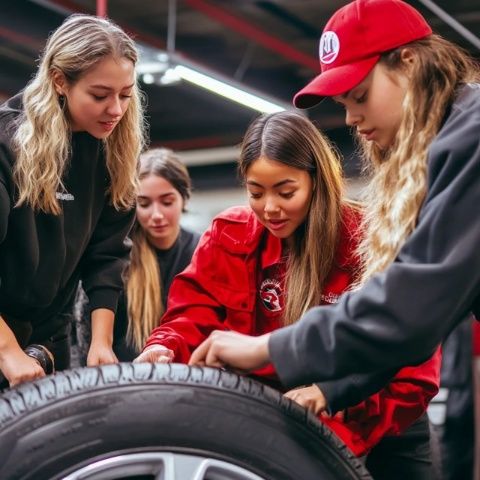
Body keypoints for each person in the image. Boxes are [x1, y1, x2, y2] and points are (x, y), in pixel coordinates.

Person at [189, 0, 480, 437]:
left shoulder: (471, 137)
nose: (351, 118)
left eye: (360, 96)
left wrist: (268, 347)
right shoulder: (451, 141)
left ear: (410, 61)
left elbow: (409, 308)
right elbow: (405, 327)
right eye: (344, 102)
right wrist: (334, 389)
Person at [136, 111, 441, 471]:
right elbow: (194, 312)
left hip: (380, 431)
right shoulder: (230, 235)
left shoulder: (368, 243)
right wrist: (165, 344)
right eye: (255, 192)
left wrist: (328, 411)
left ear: (317, 181)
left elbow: (410, 373)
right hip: (276, 424)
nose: (269, 208)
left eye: (286, 192)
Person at [0, 14, 146, 387]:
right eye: (100, 95)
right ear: (60, 81)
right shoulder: (6, 146)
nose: (116, 109)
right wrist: (8, 352)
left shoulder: (114, 151)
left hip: (49, 334)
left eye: (126, 95)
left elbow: (108, 254)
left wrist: (100, 343)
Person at [113, 148, 200, 361]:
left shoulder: (202, 251)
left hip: (188, 372)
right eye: (144, 204)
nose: (157, 215)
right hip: (131, 374)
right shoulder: (119, 254)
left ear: (184, 199)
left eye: (167, 202)